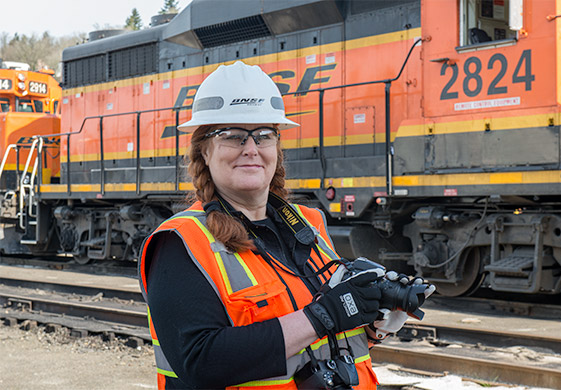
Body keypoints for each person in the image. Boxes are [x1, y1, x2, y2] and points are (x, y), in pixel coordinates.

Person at [138, 61, 433, 390]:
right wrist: (325, 315)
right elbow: (200, 362)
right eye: (233, 136)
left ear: (276, 148)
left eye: (263, 135)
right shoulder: (181, 244)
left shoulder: (310, 227)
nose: (251, 149)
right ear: (204, 151)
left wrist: (372, 321)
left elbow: (317, 341)